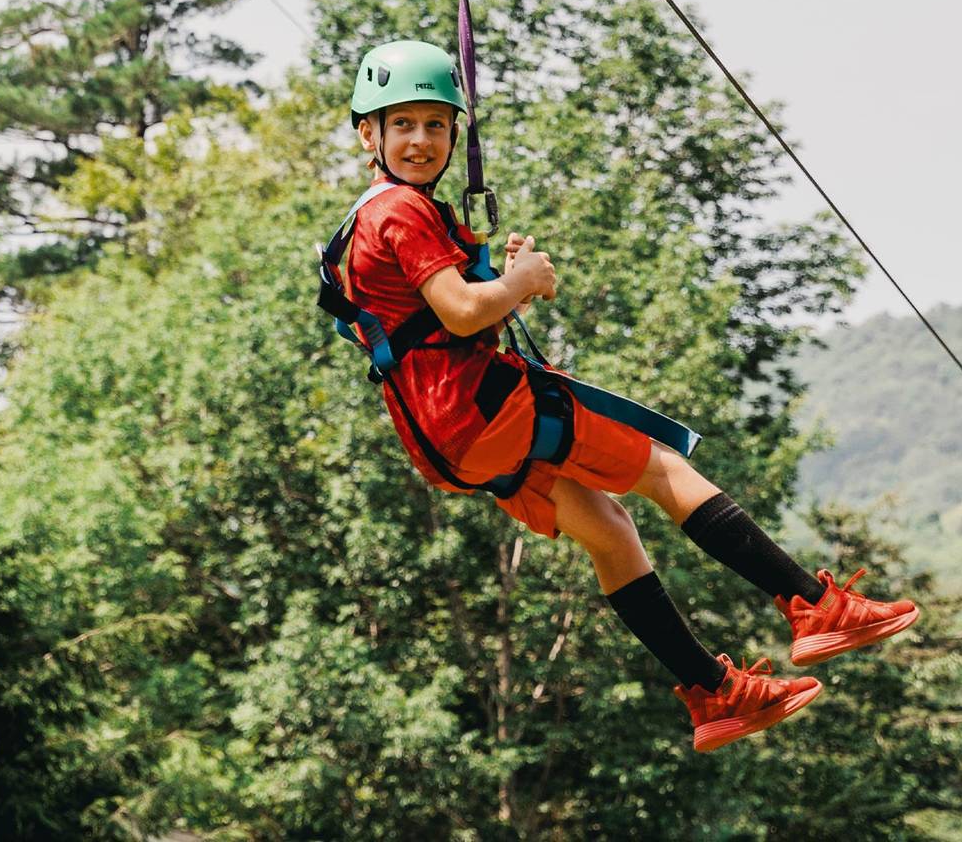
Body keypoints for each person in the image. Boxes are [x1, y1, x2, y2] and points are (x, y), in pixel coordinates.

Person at [326, 39, 920, 752]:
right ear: (370, 133)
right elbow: (458, 312)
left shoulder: (366, 220)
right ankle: (816, 606)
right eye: (403, 125)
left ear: (454, 133)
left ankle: (714, 694)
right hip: (487, 408)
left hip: (447, 442)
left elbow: (429, 319)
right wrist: (523, 283)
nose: (421, 140)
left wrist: (502, 280)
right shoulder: (401, 211)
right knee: (666, 471)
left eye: (435, 124)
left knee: (609, 531)